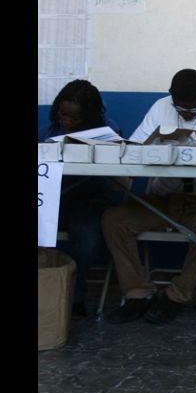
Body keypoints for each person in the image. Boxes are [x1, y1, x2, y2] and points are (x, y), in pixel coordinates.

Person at [101, 68, 196, 324]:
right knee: (114, 219)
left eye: (193, 110)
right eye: (180, 108)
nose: (185, 113)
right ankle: (138, 293)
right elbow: (133, 150)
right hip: (162, 198)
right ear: (171, 97)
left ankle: (175, 296)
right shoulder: (160, 107)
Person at [38, 79, 124, 317]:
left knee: (86, 236)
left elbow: (117, 179)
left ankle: (74, 298)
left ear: (89, 116)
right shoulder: (48, 132)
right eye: (62, 114)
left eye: (74, 118)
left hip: (90, 198)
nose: (66, 121)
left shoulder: (108, 132)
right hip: (54, 198)